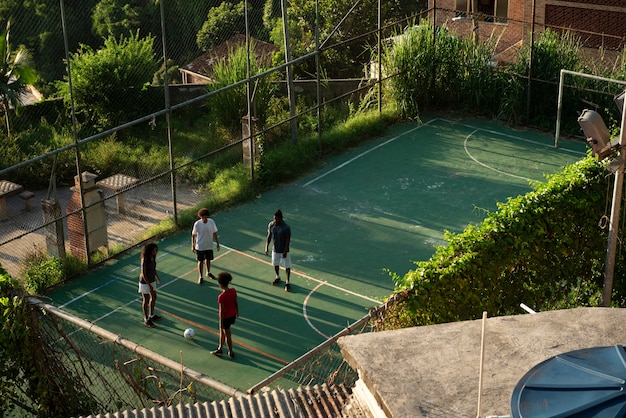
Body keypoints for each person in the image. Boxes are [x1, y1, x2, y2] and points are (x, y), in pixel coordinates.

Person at [210, 272, 239, 359]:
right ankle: (220, 348)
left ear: (221, 284)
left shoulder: (221, 296)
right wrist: (237, 311)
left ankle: (230, 351)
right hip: (232, 314)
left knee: (227, 334)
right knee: (222, 332)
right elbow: (235, 302)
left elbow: (222, 310)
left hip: (225, 318)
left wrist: (221, 322)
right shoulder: (233, 290)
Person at [265, 209, 292, 292]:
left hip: (284, 250)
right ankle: (278, 277)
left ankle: (287, 282)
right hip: (275, 249)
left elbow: (287, 241)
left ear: (281, 218)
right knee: (275, 264)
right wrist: (267, 246)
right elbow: (269, 236)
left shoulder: (286, 228)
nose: (275, 220)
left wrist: (285, 252)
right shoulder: (271, 225)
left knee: (287, 266)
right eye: (274, 218)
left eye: (276, 219)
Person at [191, 208, 220, 285]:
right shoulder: (197, 224)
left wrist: (217, 243)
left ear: (207, 216)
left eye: (205, 217)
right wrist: (193, 245)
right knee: (200, 261)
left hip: (209, 245)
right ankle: (200, 276)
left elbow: (214, 233)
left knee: (208, 260)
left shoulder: (211, 222)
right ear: (200, 217)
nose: (204, 219)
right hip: (200, 246)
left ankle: (208, 272)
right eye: (202, 217)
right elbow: (193, 235)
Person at [138, 242, 162, 328]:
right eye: (154, 251)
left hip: (152, 280)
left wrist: (157, 277)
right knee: (146, 299)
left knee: (154, 297)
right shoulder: (144, 259)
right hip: (145, 281)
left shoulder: (153, 258)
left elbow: (153, 269)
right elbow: (143, 274)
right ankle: (146, 319)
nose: (155, 252)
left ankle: (152, 315)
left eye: (156, 251)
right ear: (149, 251)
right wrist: (149, 285)